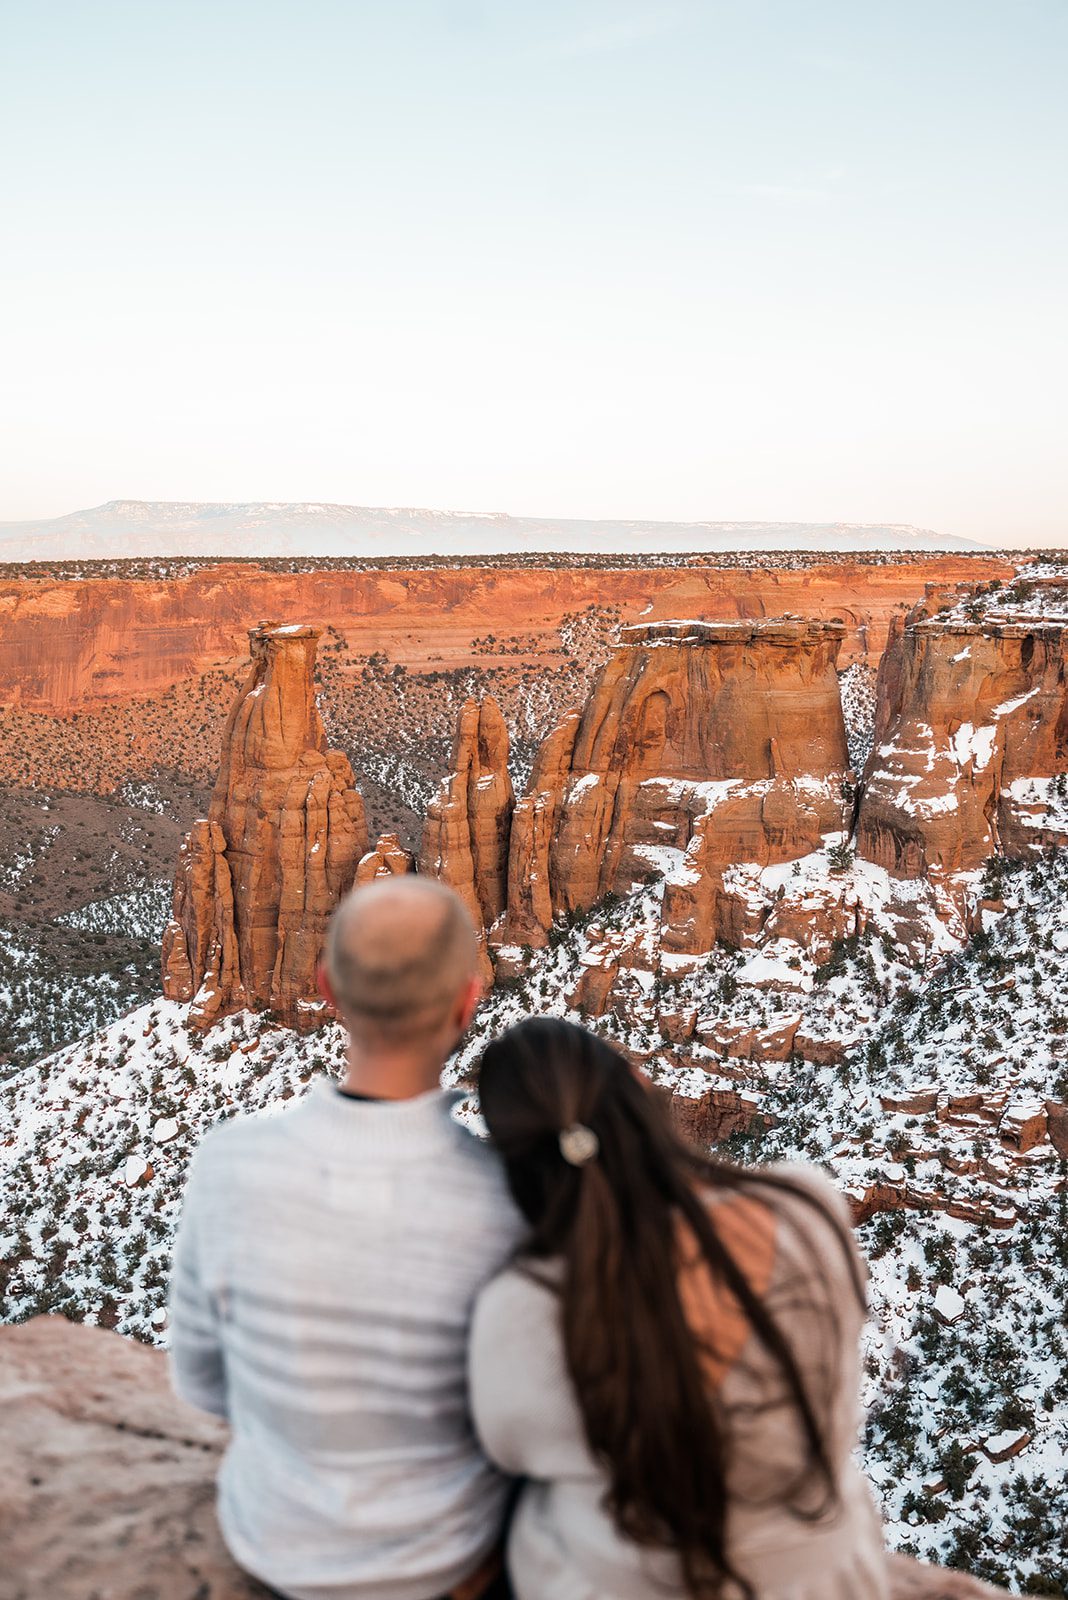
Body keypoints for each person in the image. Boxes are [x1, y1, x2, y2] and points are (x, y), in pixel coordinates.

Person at [169, 877, 521, 1600]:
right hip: (446, 1560)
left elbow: (201, 1385)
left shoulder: (228, 1161)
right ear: (468, 1001)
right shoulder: (509, 1199)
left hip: (270, 1541)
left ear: (326, 988)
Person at [468, 1017, 889, 1600]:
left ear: (517, 1171)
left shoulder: (522, 1312)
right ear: (638, 1088)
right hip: (828, 1577)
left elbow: (508, 1444)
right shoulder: (806, 1207)